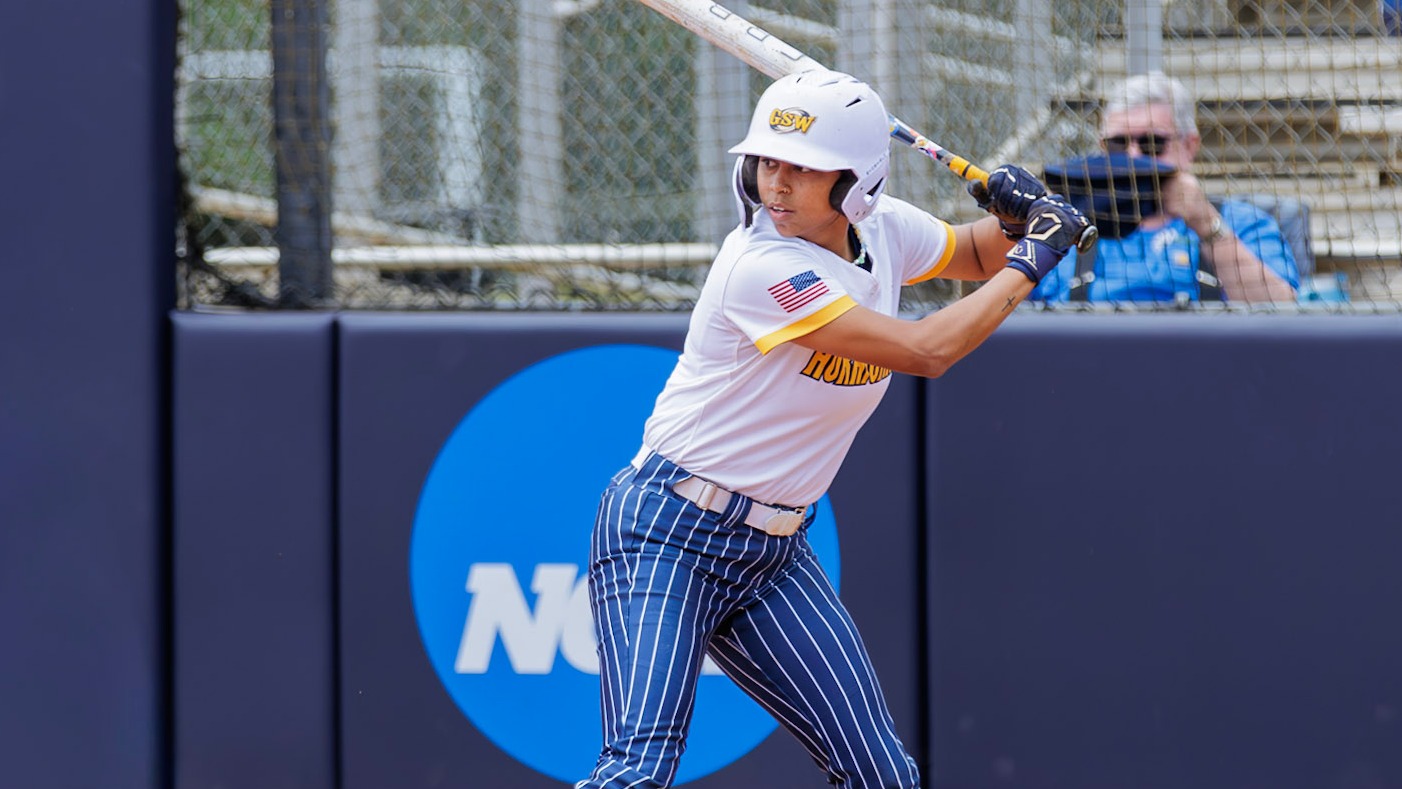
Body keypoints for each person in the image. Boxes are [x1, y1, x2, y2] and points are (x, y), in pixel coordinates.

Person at [575, 69, 1088, 789]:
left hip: (773, 553)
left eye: (804, 169)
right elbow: (927, 350)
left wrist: (1013, 223)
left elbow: (975, 256)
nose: (777, 183)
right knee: (638, 767)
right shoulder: (761, 266)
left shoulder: (883, 231)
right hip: (666, 531)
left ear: (855, 184)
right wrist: (1035, 254)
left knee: (882, 774)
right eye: (768, 162)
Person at [1030, 71, 1300, 305]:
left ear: (1189, 146)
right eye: (1118, 144)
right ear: (1102, 148)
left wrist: (1207, 226)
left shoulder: (1241, 222)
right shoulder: (1066, 229)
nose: (1133, 157)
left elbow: (1282, 312)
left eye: (1152, 144)